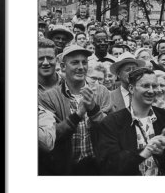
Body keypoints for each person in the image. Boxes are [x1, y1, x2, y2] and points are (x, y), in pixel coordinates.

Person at [38, 45, 113, 175]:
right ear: (62, 67)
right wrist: (78, 115)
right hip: (65, 169)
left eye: (84, 62)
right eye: (74, 62)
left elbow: (111, 130)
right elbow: (51, 138)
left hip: (98, 167)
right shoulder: (48, 97)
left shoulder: (102, 91)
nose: (80, 67)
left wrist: (94, 110)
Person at [97, 68, 165, 175]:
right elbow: (109, 165)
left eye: (154, 86)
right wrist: (144, 153)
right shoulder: (112, 122)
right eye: (145, 86)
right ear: (131, 89)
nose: (151, 91)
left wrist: (162, 153)